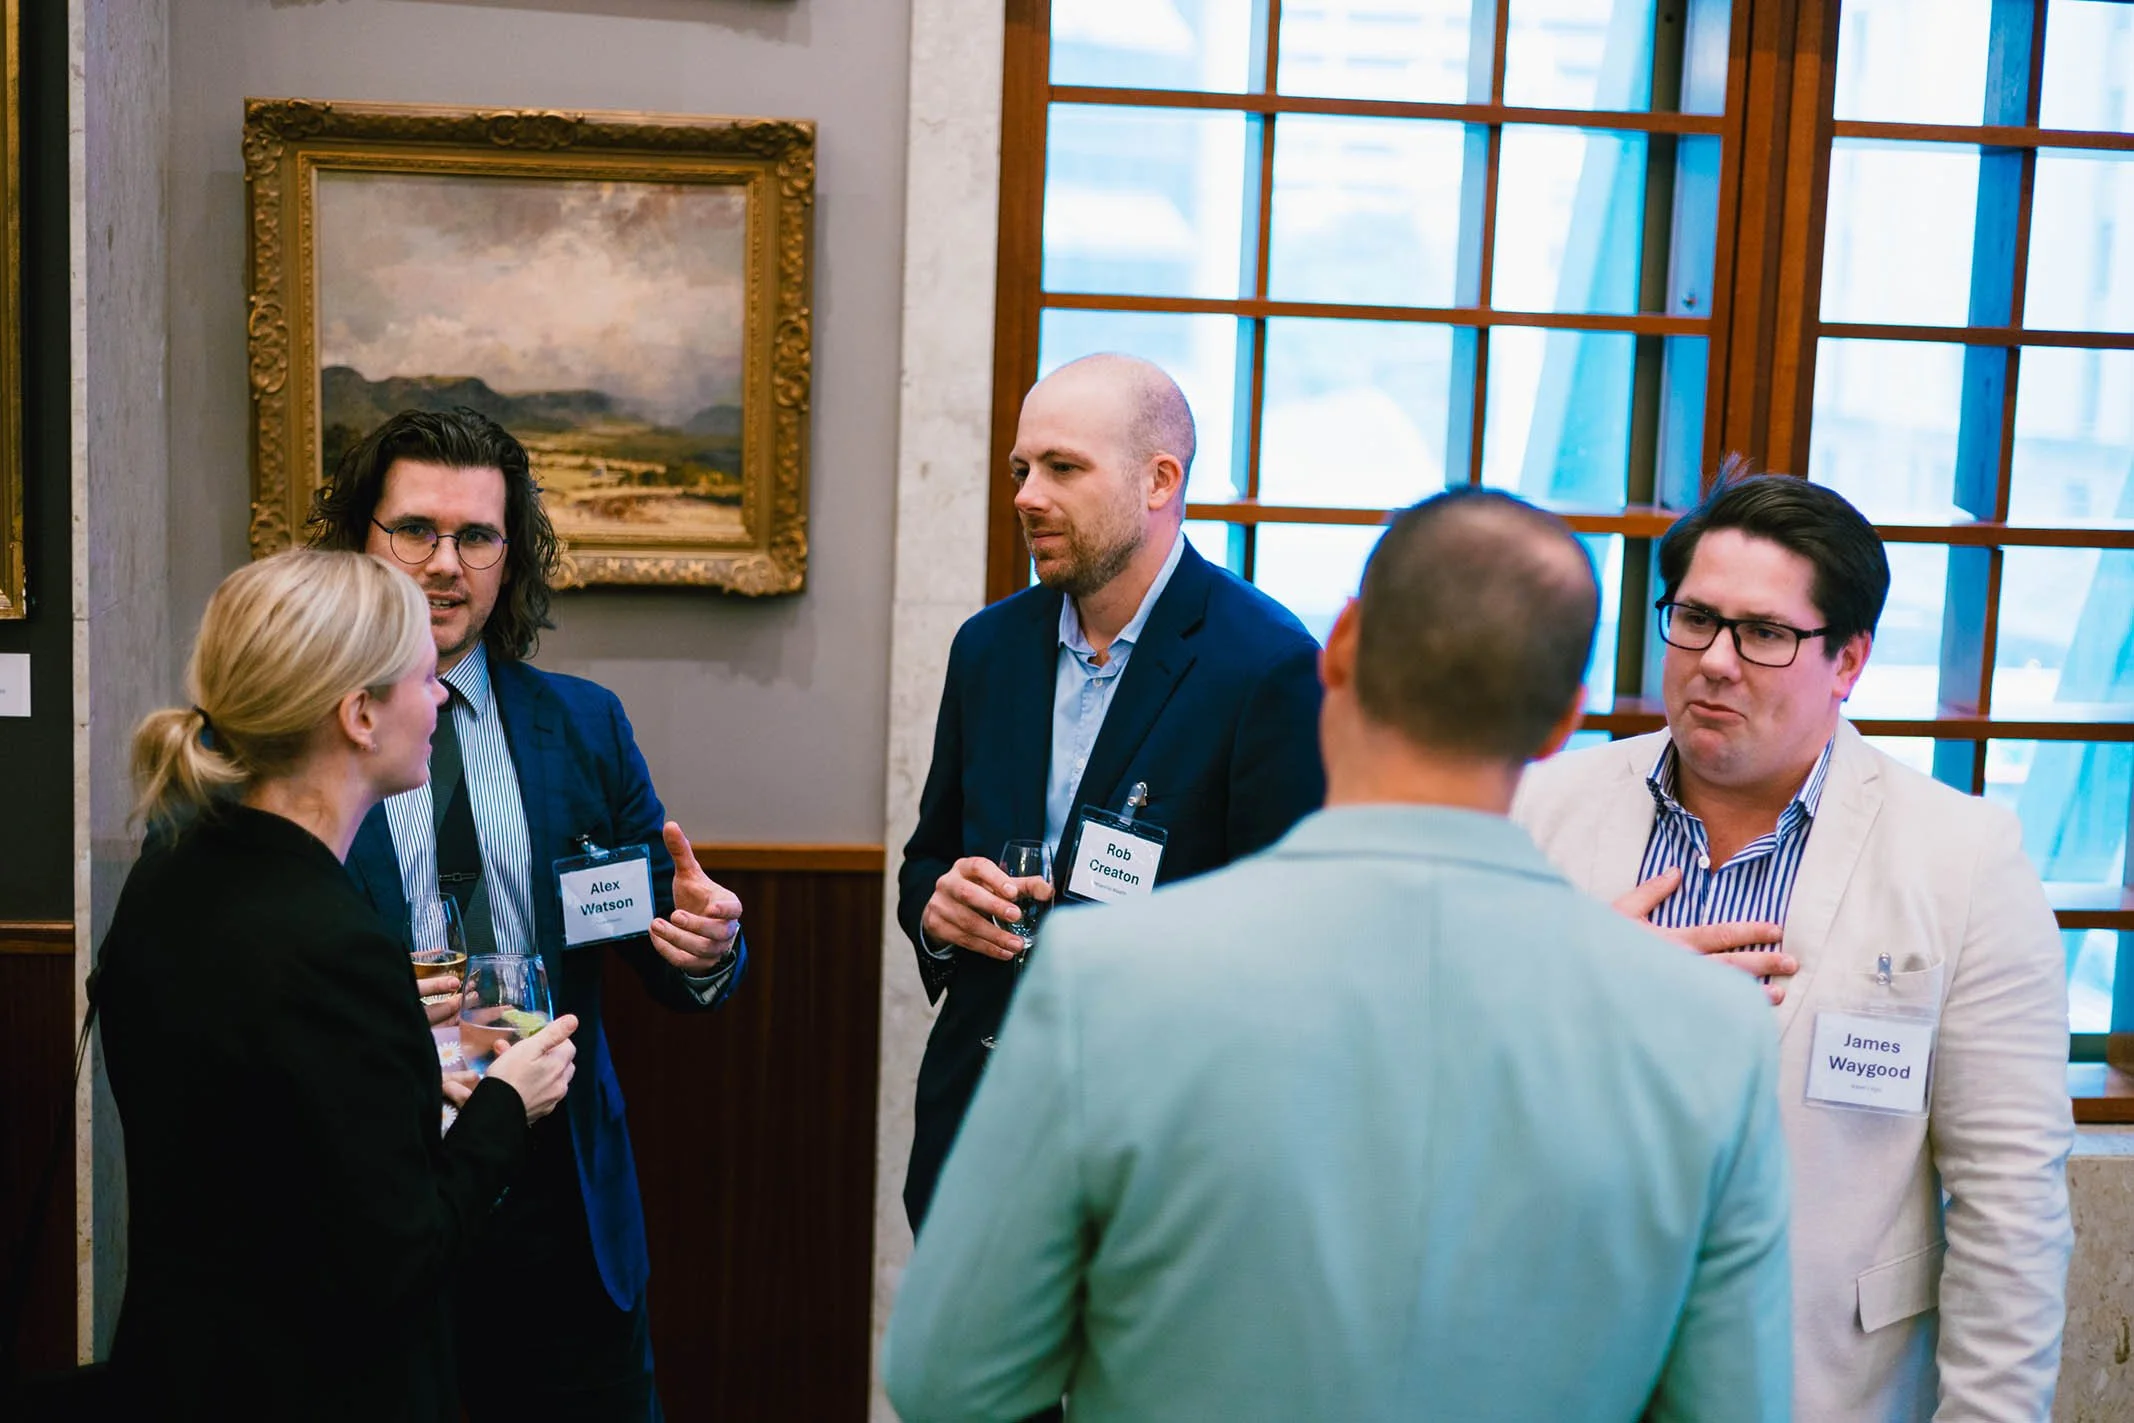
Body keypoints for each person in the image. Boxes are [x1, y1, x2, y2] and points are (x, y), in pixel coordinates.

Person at [883, 490, 1793, 1421]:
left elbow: (949, 1379)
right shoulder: (1709, 1032)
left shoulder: (1104, 981)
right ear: (1564, 718)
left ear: (1344, 647)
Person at [1514, 471, 2073, 1421]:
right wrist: (1577, 998)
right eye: (1694, 617)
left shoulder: (1962, 859)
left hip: (1818, 1385)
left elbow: (2010, 1208)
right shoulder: (1538, 810)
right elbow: (1434, 1094)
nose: (1716, 661)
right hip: (1560, 1373)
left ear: (1848, 661)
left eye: (1765, 633)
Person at [308, 408, 748, 1419]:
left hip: (563, 1216)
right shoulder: (299, 733)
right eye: (413, 529)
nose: (444, 564)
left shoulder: (582, 725)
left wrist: (705, 946)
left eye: (476, 536)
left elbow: (664, 949)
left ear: (512, 557)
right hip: (378, 1199)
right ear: (363, 540)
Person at [96, 550, 580, 1419]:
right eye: (427, 679)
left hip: (178, 1366)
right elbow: (400, 1255)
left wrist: (385, 1083)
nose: (440, 701)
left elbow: (256, 1133)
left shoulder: (169, 870)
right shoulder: (335, 944)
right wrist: (510, 1102)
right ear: (359, 713)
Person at [898, 353, 1326, 1230]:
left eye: (1063, 468)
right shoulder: (988, 650)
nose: (1025, 495)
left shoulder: (1266, 665)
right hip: (976, 1123)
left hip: (1158, 1148)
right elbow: (926, 861)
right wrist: (939, 915)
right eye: (1022, 469)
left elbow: (1292, 941)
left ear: (1159, 479)